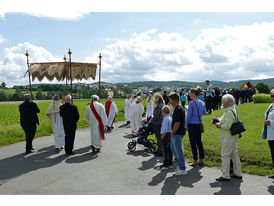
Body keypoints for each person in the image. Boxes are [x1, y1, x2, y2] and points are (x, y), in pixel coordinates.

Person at [212, 94, 242, 181]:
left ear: (226, 103)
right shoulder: (231, 109)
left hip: (228, 137)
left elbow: (228, 125)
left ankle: (225, 175)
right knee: (234, 155)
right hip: (232, 136)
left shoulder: (229, 111)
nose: (222, 102)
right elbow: (226, 119)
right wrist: (218, 119)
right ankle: (238, 173)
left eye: (223, 101)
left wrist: (219, 125)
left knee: (225, 155)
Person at [185, 87, 207, 167]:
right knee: (199, 142)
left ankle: (195, 160)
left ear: (193, 94)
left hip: (192, 124)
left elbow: (189, 116)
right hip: (199, 124)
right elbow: (204, 113)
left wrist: (186, 124)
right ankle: (201, 159)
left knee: (193, 143)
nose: (189, 94)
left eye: (190, 93)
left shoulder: (191, 103)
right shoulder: (202, 102)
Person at [169, 92, 187, 176]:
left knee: (178, 150)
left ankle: (182, 168)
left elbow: (177, 123)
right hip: (178, 132)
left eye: (170, 100)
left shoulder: (178, 109)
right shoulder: (178, 108)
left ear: (174, 100)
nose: (169, 102)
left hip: (177, 133)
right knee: (176, 150)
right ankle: (180, 166)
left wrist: (172, 132)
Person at [262, 89, 274, 179]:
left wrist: (271, 122)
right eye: (271, 96)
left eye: (273, 96)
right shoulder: (271, 105)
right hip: (270, 134)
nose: (272, 98)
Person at [158, 105, 173, 170]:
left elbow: (165, 128)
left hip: (165, 134)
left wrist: (162, 135)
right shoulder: (170, 118)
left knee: (165, 149)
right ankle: (170, 162)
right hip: (169, 134)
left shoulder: (165, 119)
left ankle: (165, 163)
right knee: (169, 149)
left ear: (164, 112)